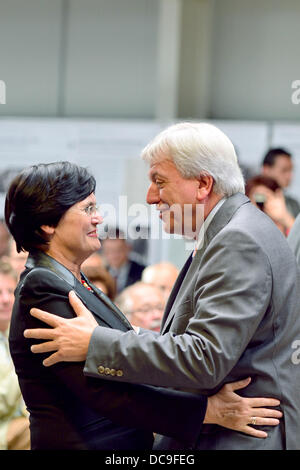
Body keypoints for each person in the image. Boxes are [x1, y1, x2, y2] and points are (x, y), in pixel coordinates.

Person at [5, 161, 281, 450]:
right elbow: (104, 392)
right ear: (48, 223)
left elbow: (121, 354)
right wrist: (208, 410)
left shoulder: (68, 278)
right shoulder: (43, 287)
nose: (99, 218)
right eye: (87, 209)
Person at [0, 261, 30, 450]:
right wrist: (24, 365)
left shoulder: (20, 331)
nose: (5, 299)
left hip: (24, 420)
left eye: (10, 292)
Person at [101, 228, 146, 294]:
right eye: (109, 251)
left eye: (118, 250)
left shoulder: (142, 272)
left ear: (128, 248)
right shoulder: (101, 273)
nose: (114, 255)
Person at [261, 147, 300, 218]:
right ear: (266, 170)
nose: (289, 176)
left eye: (291, 170)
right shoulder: (252, 199)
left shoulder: (293, 204)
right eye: (284, 170)